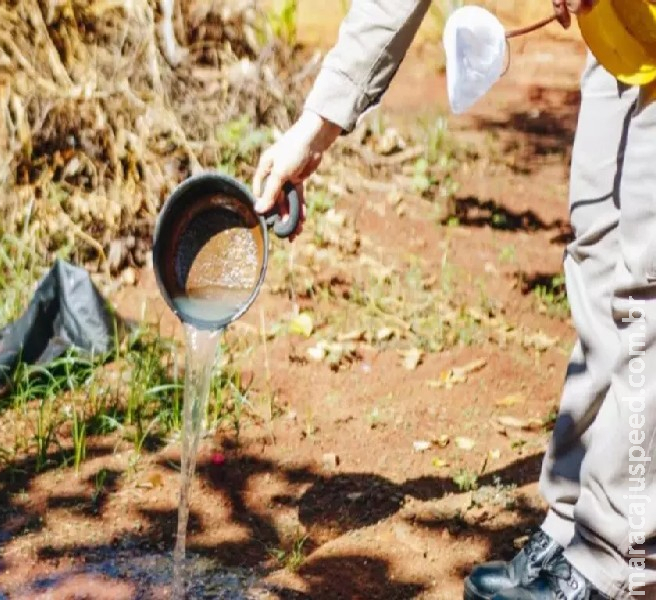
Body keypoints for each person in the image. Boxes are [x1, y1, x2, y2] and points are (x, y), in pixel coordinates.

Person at [252, 1, 656, 599]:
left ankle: (620, 557)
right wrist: (317, 126)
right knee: (596, 255)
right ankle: (576, 518)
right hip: (629, 38)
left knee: (644, 291)